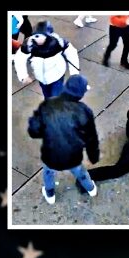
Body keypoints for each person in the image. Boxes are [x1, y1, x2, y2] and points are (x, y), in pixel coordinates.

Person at [27, 75, 99, 204]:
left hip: (51, 155)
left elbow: (34, 131)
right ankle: (90, 188)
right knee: (80, 171)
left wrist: (35, 123)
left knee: (48, 173)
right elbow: (91, 137)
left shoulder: (47, 105)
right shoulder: (84, 111)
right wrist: (93, 156)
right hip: (73, 156)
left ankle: (50, 194)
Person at [13, 20, 80, 98]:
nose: (36, 39)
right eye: (34, 35)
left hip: (56, 76)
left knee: (55, 96)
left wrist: (74, 74)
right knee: (47, 95)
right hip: (41, 77)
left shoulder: (58, 43)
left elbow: (72, 53)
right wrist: (23, 76)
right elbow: (20, 58)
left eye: (39, 36)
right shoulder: (30, 44)